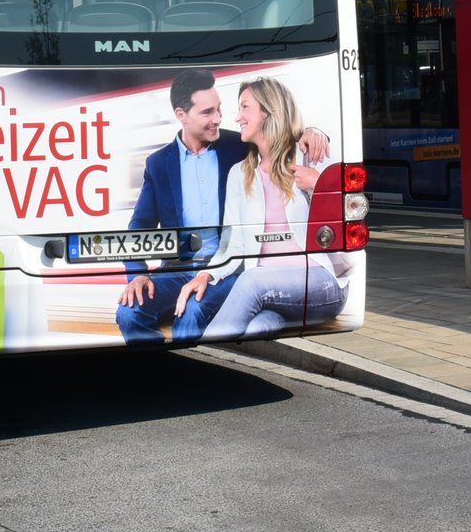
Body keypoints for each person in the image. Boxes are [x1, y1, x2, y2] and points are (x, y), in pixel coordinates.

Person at [118, 68, 325, 343]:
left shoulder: (236, 145)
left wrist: (313, 131)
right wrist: (138, 274)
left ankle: (193, 377)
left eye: (219, 109)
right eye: (207, 113)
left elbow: (277, 132)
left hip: (228, 265)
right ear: (182, 115)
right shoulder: (158, 163)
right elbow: (139, 226)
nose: (217, 119)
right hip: (177, 269)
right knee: (129, 313)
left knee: (192, 310)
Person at [181, 76, 348, 342]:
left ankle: (191, 369)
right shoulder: (240, 174)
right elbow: (233, 245)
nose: (237, 118)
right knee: (261, 325)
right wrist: (206, 274)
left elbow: (353, 216)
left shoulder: (310, 154)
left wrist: (319, 185)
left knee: (251, 281)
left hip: (322, 282)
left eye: (245, 107)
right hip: (271, 292)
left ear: (269, 111)